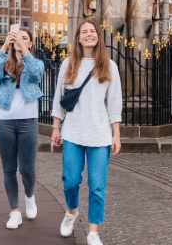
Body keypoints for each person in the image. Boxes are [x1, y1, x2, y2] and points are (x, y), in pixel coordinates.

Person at [51, 20, 122, 245]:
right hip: (72, 132)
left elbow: (114, 103)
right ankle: (72, 211)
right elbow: (58, 98)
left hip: (100, 135)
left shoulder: (109, 65)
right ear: (78, 38)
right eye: (84, 32)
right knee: (70, 181)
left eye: (92, 31)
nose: (89, 34)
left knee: (97, 185)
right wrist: (55, 126)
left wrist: (116, 133)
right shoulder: (68, 64)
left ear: (98, 37)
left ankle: (93, 231)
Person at [0, 27, 44, 229]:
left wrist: (24, 51)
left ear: (30, 43)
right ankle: (14, 211)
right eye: (17, 38)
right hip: (4, 121)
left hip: (28, 121)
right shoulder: (5, 62)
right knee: (9, 169)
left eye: (25, 38)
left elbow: (37, 75)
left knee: (27, 169)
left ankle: (29, 196)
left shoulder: (35, 63)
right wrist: (5, 46)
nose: (20, 41)